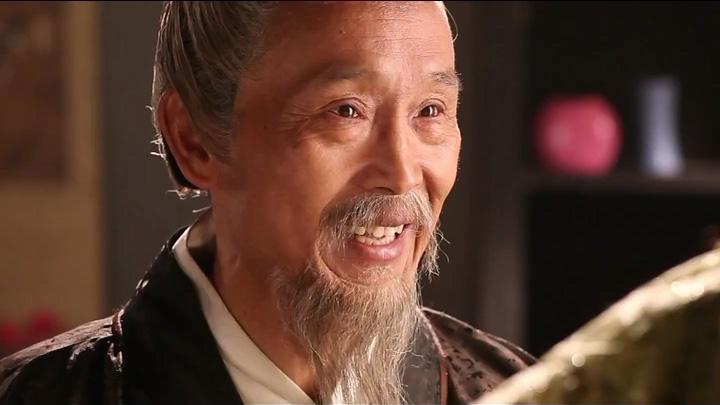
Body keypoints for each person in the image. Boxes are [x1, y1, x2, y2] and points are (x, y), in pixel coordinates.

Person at [0, 2, 534, 404]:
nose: (402, 174)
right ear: (194, 140)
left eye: (431, 110)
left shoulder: (517, 390)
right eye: (346, 111)